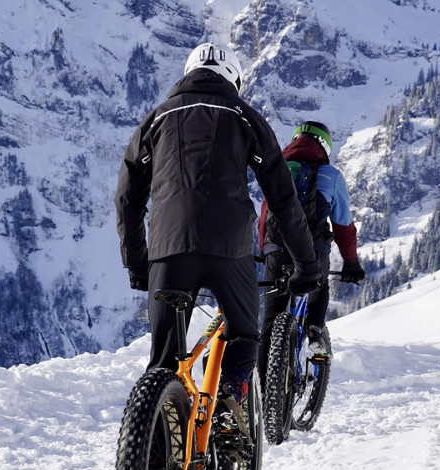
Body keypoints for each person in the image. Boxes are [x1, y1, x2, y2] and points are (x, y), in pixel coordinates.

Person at [114, 42, 322, 431]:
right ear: (234, 80)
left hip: (168, 249)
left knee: (164, 362)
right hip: (229, 249)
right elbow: (283, 199)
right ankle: (229, 400)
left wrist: (139, 263)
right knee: (244, 334)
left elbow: (127, 198)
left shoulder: (155, 120)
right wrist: (307, 265)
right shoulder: (245, 117)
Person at [258, 121, 366, 371]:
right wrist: (351, 263)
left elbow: (264, 215)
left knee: (271, 321)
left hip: (276, 249)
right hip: (314, 250)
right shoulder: (331, 176)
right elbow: (344, 226)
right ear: (325, 146)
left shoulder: (278, 169)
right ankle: (316, 330)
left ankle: (263, 395)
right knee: (319, 286)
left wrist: (267, 251)